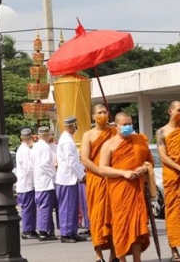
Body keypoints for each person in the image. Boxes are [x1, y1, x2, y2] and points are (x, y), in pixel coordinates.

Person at [99, 112, 152, 262]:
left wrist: (144, 168)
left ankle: (137, 259)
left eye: (130, 123)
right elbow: (103, 168)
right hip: (119, 191)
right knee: (121, 226)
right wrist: (123, 173)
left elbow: (149, 161)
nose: (128, 127)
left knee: (137, 227)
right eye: (125, 124)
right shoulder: (109, 145)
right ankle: (121, 259)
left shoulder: (140, 140)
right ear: (116, 126)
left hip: (137, 190)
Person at [155, 101, 180, 262]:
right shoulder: (161, 132)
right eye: (178, 110)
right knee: (173, 215)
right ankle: (174, 251)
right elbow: (163, 157)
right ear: (170, 111)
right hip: (173, 176)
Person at [81, 104, 118, 262]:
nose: (103, 114)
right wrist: (101, 171)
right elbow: (85, 159)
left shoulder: (115, 132)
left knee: (114, 217)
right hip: (96, 180)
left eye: (105, 112)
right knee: (97, 216)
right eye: (99, 113)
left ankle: (114, 255)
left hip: (113, 179)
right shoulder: (88, 135)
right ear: (93, 116)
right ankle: (98, 255)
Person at [56, 116, 87, 244]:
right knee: (67, 207)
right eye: (75, 126)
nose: (76, 128)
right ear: (71, 126)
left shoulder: (68, 139)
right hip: (67, 179)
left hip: (71, 179)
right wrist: (82, 175)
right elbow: (71, 162)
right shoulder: (66, 141)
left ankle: (73, 232)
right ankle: (66, 234)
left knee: (73, 207)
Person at [31, 126, 58, 241]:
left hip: (38, 180)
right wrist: (54, 174)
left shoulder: (35, 147)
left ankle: (47, 229)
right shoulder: (45, 147)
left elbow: (33, 164)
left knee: (42, 206)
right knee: (45, 207)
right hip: (46, 181)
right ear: (47, 135)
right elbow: (45, 164)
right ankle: (43, 231)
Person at [16, 128, 38, 240]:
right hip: (26, 184)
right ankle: (26, 230)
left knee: (31, 208)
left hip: (28, 183)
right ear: (30, 138)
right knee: (27, 209)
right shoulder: (24, 150)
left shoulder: (25, 149)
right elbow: (28, 167)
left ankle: (31, 229)